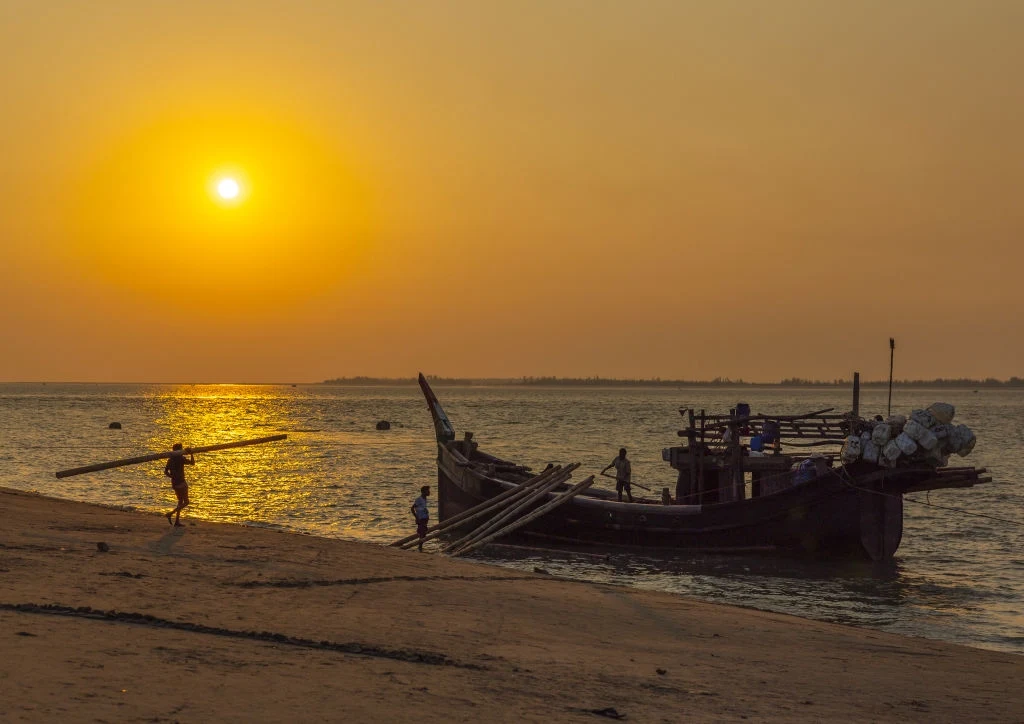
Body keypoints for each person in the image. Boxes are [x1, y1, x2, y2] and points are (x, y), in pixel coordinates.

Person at [164, 443, 195, 527]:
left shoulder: (170, 460)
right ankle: (171, 513)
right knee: (186, 502)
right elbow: (192, 463)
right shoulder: (181, 458)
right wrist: (191, 453)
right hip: (181, 482)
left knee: (180, 502)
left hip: (174, 483)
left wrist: (172, 477)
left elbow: (166, 472)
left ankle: (177, 521)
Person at [410, 485, 430, 552]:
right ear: (423, 492)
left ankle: (420, 547)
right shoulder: (419, 499)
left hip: (425, 518)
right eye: (427, 491)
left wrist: (426, 511)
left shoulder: (425, 499)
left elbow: (421, 508)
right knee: (422, 533)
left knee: (424, 533)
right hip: (421, 519)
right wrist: (416, 517)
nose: (429, 492)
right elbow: (412, 508)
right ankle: (420, 548)